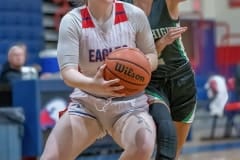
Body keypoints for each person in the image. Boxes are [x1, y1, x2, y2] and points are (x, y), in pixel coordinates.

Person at [40, 1, 158, 160]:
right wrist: (93, 85)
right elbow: (68, 72)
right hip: (88, 104)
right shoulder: (72, 20)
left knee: (143, 145)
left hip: (129, 105)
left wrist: (139, 65)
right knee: (51, 158)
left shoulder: (134, 15)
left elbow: (152, 55)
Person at [120, 0, 197, 159]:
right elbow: (134, 58)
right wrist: (161, 43)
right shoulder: (122, 8)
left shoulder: (167, 2)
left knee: (174, 151)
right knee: (166, 133)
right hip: (150, 81)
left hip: (182, 79)